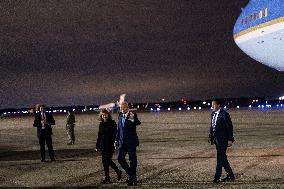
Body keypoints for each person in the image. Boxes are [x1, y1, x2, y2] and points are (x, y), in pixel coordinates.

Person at [209, 100, 235, 183]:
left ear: (218, 105)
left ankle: (217, 177)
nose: (212, 107)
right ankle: (231, 176)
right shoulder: (213, 114)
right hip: (216, 140)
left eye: (213, 105)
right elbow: (212, 126)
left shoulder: (225, 114)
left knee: (219, 160)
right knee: (223, 158)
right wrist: (211, 137)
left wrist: (230, 139)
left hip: (223, 140)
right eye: (211, 105)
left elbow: (229, 127)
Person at [116, 102, 141, 186]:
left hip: (131, 142)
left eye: (124, 107)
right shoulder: (120, 117)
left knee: (132, 160)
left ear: (127, 107)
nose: (122, 109)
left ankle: (132, 179)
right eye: (121, 108)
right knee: (120, 158)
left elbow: (137, 123)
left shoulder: (132, 114)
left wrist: (133, 118)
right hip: (122, 143)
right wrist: (116, 140)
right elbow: (119, 130)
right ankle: (132, 175)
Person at [96, 109, 122, 184]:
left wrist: (115, 143)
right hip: (102, 145)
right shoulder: (101, 124)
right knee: (104, 162)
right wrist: (97, 145)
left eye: (105, 114)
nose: (104, 116)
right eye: (102, 115)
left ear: (108, 114)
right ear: (101, 115)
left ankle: (118, 171)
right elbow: (99, 135)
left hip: (110, 144)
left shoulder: (112, 123)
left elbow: (115, 134)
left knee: (108, 160)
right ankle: (107, 177)